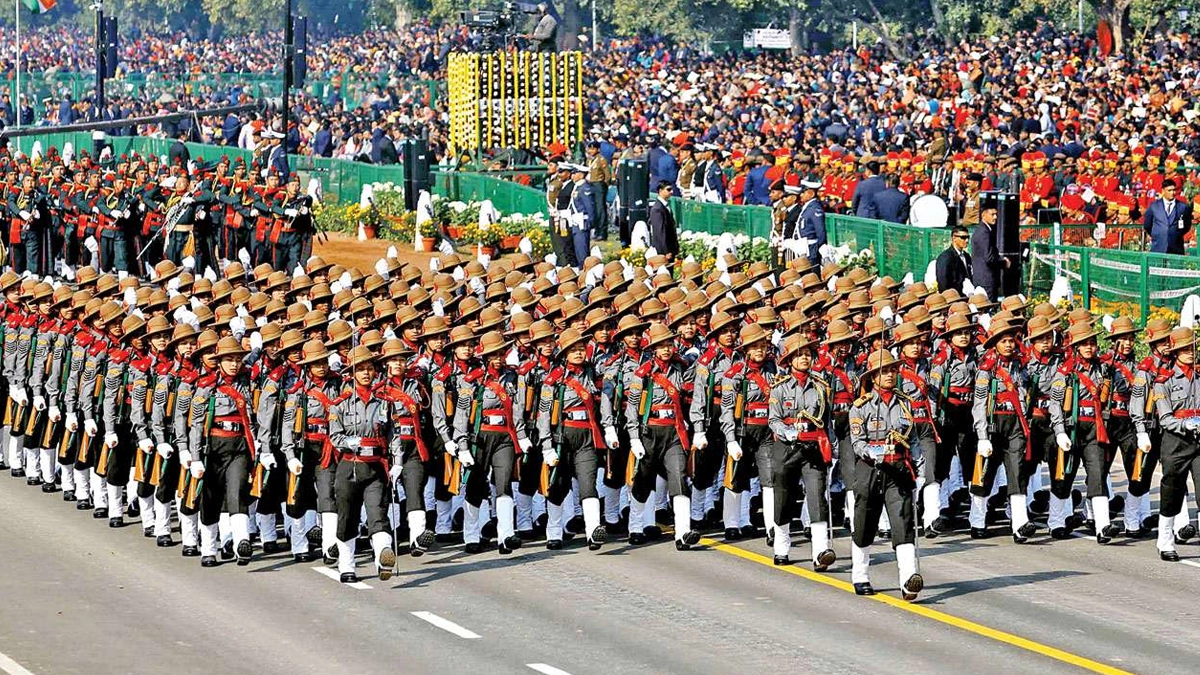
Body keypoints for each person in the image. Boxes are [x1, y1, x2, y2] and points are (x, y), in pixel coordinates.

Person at [847, 349, 923, 600]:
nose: (889, 375)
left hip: (897, 469)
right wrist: (869, 452)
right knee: (864, 523)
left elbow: (913, 438)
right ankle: (860, 575)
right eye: (883, 371)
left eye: (892, 370)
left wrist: (920, 466)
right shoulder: (861, 407)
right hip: (870, 469)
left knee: (903, 521)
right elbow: (857, 441)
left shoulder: (905, 403)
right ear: (873, 377)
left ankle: (908, 578)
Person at [327, 345, 399, 583]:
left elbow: (393, 434)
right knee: (347, 516)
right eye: (361, 369)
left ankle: (383, 557)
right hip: (350, 465)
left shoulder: (384, 402)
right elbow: (334, 436)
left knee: (378, 512)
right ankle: (347, 566)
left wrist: (397, 462)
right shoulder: (341, 404)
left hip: (375, 466)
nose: (366, 373)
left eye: (369, 368)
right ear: (352, 374)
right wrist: (348, 442)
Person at [537, 327, 610, 550]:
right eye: (573, 350)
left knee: (588, 483)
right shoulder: (554, 380)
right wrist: (546, 445)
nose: (579, 353)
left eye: (581, 349)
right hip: (563, 437)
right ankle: (554, 532)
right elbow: (544, 413)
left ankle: (593, 531)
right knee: (558, 486)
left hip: (587, 435)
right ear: (564, 354)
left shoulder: (592, 373)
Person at [767, 332, 835, 569]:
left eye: (807, 354)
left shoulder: (821, 387)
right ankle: (781, 547)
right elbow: (773, 419)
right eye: (799, 355)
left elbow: (827, 421)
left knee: (817, 496)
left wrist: (831, 448)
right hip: (786, 448)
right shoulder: (779, 388)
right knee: (783, 497)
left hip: (812, 447)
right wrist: (786, 432)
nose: (805, 358)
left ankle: (820, 552)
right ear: (789, 361)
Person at [1144, 180, 1192, 254]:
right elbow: (1147, 225)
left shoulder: (1183, 207)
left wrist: (1176, 234)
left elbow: (1187, 225)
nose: (1172, 193)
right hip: (1158, 247)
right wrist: (1158, 234)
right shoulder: (1154, 206)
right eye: (1169, 190)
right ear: (1163, 191)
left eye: (1174, 190)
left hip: (1176, 248)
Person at [970, 203, 1004, 301]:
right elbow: (989, 258)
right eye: (992, 214)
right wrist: (1003, 262)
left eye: (996, 214)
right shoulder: (984, 233)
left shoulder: (983, 231)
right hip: (986, 280)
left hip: (983, 279)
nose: (995, 217)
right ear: (983, 215)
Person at [935, 226, 972, 295]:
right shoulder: (946, 257)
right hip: (953, 297)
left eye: (968, 237)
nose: (967, 240)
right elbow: (943, 283)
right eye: (963, 237)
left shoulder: (967, 256)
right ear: (954, 238)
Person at [647, 180, 679, 257]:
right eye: (668, 190)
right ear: (660, 191)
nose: (671, 192)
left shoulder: (665, 206)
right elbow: (659, 232)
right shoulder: (657, 209)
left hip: (671, 250)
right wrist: (665, 252)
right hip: (664, 252)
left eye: (671, 189)